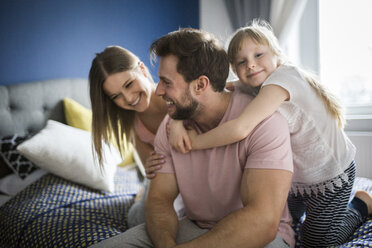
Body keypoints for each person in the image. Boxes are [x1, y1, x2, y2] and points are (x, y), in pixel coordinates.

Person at [166, 20, 372, 247]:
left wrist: (195, 142)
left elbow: (241, 128)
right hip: (297, 180)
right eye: (241, 62)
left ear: (277, 56)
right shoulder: (253, 84)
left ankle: (361, 205)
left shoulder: (284, 78)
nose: (251, 65)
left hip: (330, 176)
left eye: (259, 55)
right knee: (278, 222)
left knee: (317, 243)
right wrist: (177, 119)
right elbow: (207, 93)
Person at [90, 28, 295, 248]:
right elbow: (159, 200)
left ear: (200, 85)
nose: (158, 91)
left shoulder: (265, 124)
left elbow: (262, 222)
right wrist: (166, 244)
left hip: (259, 236)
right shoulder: (170, 125)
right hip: (196, 226)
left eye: (166, 82)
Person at [88, 45, 184, 228]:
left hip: (192, 170)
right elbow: (152, 167)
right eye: (116, 96)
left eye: (129, 84)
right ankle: (141, 196)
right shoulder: (132, 122)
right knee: (138, 220)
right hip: (166, 176)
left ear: (141, 69)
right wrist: (150, 168)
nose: (129, 98)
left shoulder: (176, 95)